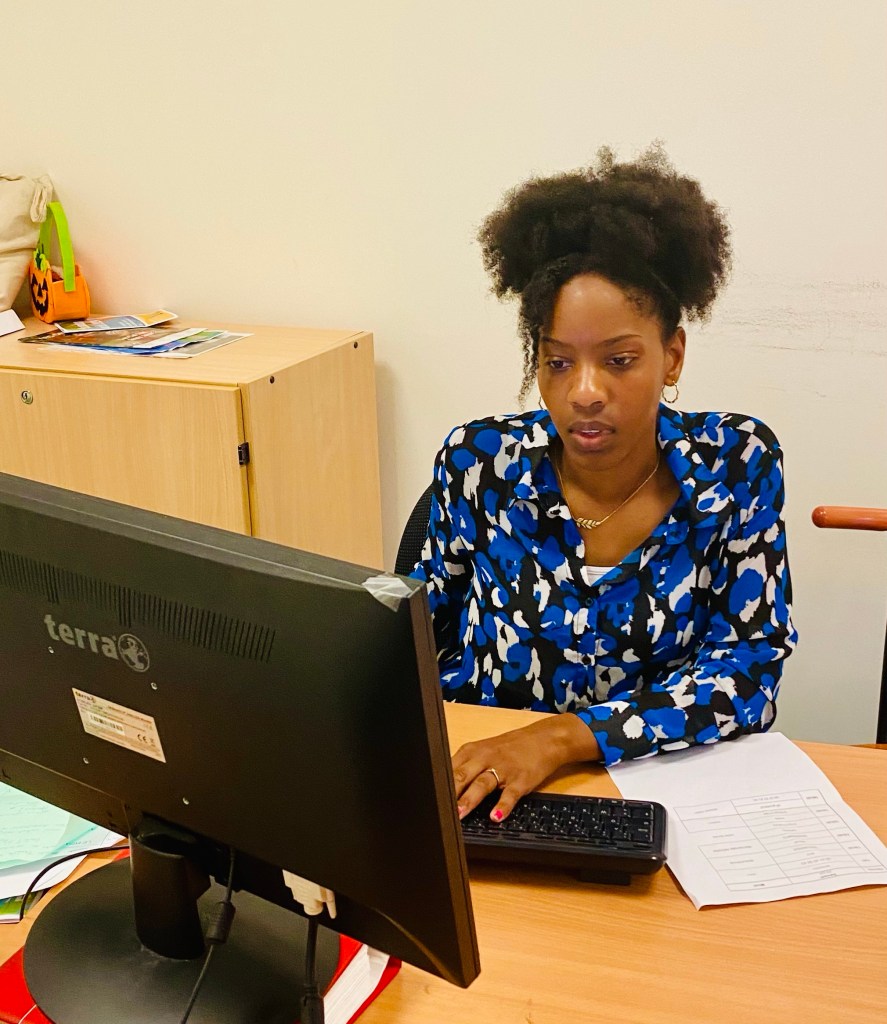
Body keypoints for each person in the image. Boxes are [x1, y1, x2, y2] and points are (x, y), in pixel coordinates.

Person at [410, 144, 797, 822]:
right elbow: (413, 641)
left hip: (660, 793)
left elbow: (747, 673)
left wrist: (563, 738)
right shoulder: (480, 463)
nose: (585, 391)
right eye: (558, 363)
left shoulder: (735, 465)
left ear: (671, 356)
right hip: (491, 792)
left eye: (618, 360)